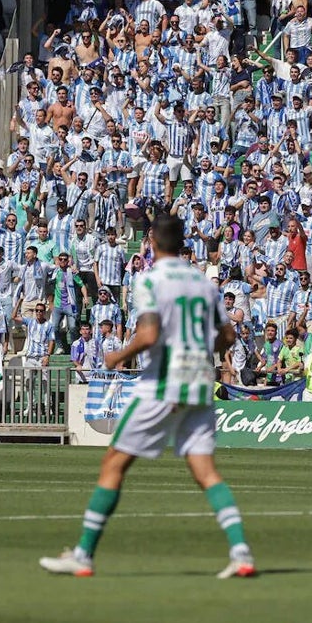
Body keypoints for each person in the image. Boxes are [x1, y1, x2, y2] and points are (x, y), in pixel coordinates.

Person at [39, 216, 254, 579]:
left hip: (163, 384)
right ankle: (241, 552)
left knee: (113, 464)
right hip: (200, 383)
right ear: (184, 242)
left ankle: (84, 555)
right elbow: (228, 336)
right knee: (206, 471)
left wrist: (117, 356)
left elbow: (150, 334)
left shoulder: (150, 280)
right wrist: (203, 347)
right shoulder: (202, 282)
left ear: (152, 241)